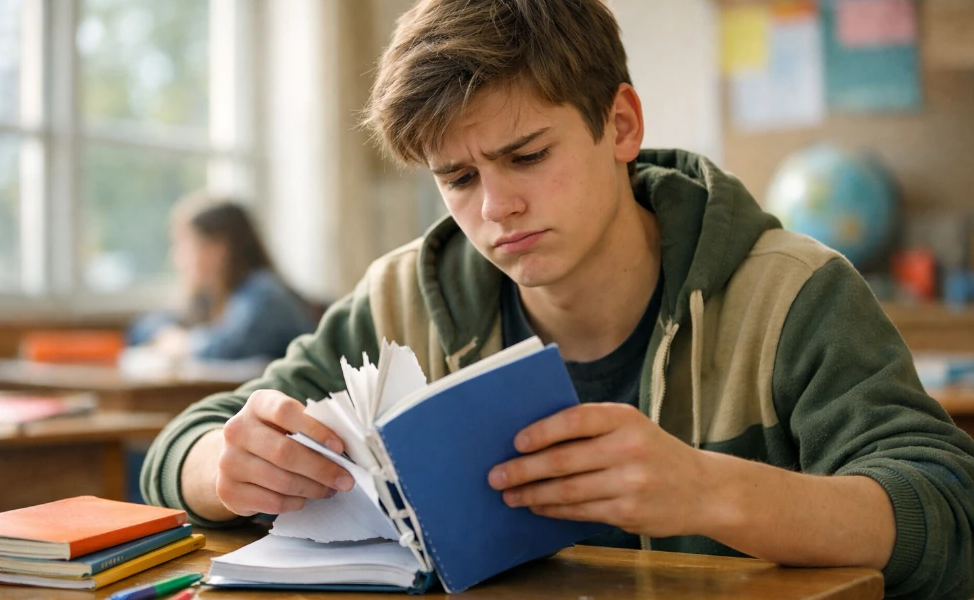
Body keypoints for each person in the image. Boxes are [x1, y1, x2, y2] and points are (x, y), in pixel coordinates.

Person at [141, 2, 974, 598]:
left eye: (528, 156)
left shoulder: (792, 293)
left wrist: (709, 491)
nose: (495, 208)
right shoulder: (403, 296)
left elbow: (950, 511)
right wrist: (225, 467)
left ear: (621, 125)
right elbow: (179, 449)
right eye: (457, 178)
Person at [128, 193, 317, 361]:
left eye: (184, 245)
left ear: (219, 248)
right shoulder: (209, 299)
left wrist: (185, 344)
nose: (176, 259)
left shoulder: (264, 293)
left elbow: (232, 347)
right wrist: (166, 335)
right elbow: (141, 330)